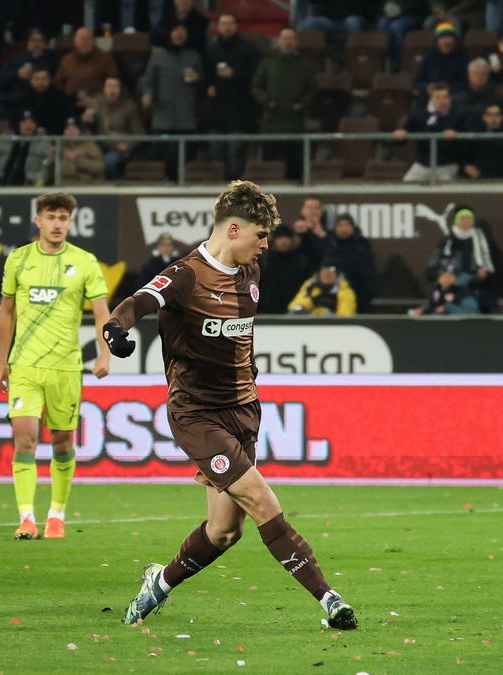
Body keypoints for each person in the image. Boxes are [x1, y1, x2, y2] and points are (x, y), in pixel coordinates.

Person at [102, 181, 358, 631]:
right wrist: (115, 330)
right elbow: (137, 302)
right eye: (260, 235)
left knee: (224, 531)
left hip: (244, 410)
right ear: (233, 228)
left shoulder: (250, 275)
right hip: (197, 413)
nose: (265, 245)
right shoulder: (186, 274)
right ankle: (330, 599)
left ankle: (156, 585)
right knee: (261, 499)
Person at [0, 192, 111, 540]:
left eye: (63, 218)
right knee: (25, 439)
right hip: (25, 365)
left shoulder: (85, 262)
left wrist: (104, 353)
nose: (57, 223)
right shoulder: (18, 260)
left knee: (62, 442)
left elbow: (102, 311)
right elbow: (5, 310)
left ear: (70, 222)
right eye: (51, 217)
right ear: (39, 221)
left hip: (66, 367)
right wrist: (2, 360)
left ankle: (56, 515)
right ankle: (27, 518)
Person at [252, 28, 318, 181]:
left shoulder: (305, 64)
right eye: (285, 38)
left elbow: (313, 89)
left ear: (296, 42)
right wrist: (267, 102)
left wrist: (301, 105)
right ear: (278, 41)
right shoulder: (267, 63)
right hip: (271, 122)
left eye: (291, 39)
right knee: (270, 164)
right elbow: (256, 86)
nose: (288, 42)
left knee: (295, 164)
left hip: (295, 122)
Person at [205, 12, 262, 181]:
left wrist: (235, 74)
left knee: (235, 150)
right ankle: (215, 186)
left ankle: (235, 186)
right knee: (215, 149)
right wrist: (209, 85)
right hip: (217, 111)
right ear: (218, 27)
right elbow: (206, 73)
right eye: (223, 23)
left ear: (236, 26)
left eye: (230, 23)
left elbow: (256, 75)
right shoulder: (212, 49)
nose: (227, 27)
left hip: (240, 109)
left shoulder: (248, 49)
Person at [424, 207, 499, 310]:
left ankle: (443, 307)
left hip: (472, 282)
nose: (465, 222)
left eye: (468, 219)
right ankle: (433, 307)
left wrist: (484, 272)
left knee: (470, 302)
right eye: (462, 219)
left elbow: (486, 265)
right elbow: (433, 266)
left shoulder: (478, 238)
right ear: (456, 221)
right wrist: (440, 275)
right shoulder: (447, 240)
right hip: (449, 280)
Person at [394, 82, 467, 183]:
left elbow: (466, 142)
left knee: (447, 190)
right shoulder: (419, 115)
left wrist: (456, 136)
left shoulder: (459, 115)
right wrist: (400, 135)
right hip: (423, 164)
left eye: (445, 97)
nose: (442, 101)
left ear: (450, 99)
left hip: (447, 165)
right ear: (431, 99)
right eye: (438, 97)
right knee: (407, 185)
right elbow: (404, 135)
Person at [82, 77, 146, 180]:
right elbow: (87, 127)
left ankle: (112, 188)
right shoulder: (95, 103)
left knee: (109, 162)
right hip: (97, 145)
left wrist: (128, 145)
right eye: (109, 86)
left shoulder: (129, 106)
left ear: (120, 89)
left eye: (115, 87)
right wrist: (86, 120)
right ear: (104, 89)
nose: (112, 90)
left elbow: (139, 132)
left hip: (117, 146)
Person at [321, 213, 379, 314]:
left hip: (356, 302)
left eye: (347, 225)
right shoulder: (329, 246)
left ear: (353, 227)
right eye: (340, 225)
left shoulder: (361, 248)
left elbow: (368, 278)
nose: (344, 229)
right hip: (327, 300)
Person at [54, 27, 120, 109]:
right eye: (81, 39)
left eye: (88, 39)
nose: (84, 43)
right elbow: (58, 83)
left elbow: (113, 82)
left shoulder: (105, 58)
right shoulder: (66, 59)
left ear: (93, 41)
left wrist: (94, 99)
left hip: (99, 104)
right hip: (69, 104)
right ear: (75, 42)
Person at [0, 28, 60, 106]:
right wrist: (17, 74)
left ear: (45, 43)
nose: (37, 43)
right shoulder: (15, 58)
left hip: (45, 97)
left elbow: (58, 80)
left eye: (40, 40)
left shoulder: (53, 58)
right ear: (27, 42)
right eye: (33, 40)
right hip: (19, 97)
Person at [257, 225, 314, 314]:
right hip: (266, 311)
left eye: (287, 238)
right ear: (274, 240)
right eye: (280, 238)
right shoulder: (265, 260)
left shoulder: (301, 261)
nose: (283, 241)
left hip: (294, 311)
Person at [0, 111, 52, 187]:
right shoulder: (5, 139)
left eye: (31, 122)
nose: (28, 125)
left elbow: (47, 166)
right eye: (24, 122)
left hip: (29, 186)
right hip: (1, 185)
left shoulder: (43, 141)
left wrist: (37, 183)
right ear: (18, 124)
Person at [416, 22, 470, 97]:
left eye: (449, 37)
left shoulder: (462, 58)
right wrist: (428, 88)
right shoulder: (429, 57)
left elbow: (465, 84)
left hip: (453, 96)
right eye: (442, 38)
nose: (446, 41)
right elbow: (419, 82)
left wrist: (445, 90)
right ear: (437, 41)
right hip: (430, 97)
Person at [17, 67, 73, 136]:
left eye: (44, 79)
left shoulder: (60, 97)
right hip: (29, 137)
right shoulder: (23, 97)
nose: (40, 82)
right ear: (30, 80)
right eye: (37, 79)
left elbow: (64, 121)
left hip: (54, 137)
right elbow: (17, 120)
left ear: (50, 80)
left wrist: (48, 130)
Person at [410, 264, 482, 315]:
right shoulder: (441, 290)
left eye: (448, 275)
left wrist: (447, 307)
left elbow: (472, 310)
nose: (444, 278)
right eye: (442, 275)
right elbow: (434, 304)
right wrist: (422, 309)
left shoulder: (463, 289)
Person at [289, 265, 357, 316]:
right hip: (309, 326)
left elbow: (346, 316)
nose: (328, 274)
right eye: (324, 271)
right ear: (319, 274)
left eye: (332, 271)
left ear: (337, 275)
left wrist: (333, 308)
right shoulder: (310, 287)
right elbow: (295, 307)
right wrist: (312, 302)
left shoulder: (345, 291)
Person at [55, 117, 106, 184]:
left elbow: (100, 167)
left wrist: (78, 159)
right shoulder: (59, 146)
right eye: (68, 129)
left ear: (80, 130)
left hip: (85, 186)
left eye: (74, 128)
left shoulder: (89, 145)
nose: (71, 132)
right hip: (63, 186)